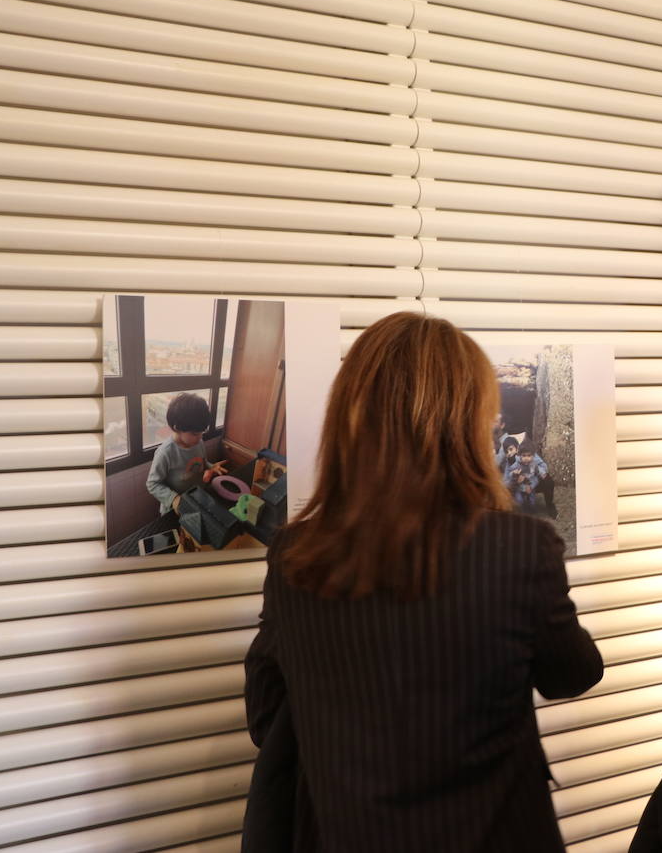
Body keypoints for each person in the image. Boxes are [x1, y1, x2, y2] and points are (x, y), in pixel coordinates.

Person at [243, 312, 603, 852]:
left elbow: (266, 712)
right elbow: (571, 675)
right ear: (468, 423)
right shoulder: (519, 547)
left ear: (351, 418)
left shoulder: (294, 555)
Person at [145, 391, 217, 514]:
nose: (200, 437)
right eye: (195, 433)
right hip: (175, 509)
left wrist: (211, 467)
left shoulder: (198, 443)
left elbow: (202, 463)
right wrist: (174, 499)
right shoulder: (165, 453)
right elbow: (153, 484)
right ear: (177, 427)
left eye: (202, 432)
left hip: (197, 500)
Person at [504, 438, 550, 512]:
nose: (526, 458)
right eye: (524, 456)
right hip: (519, 487)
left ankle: (532, 511)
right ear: (520, 456)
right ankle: (522, 512)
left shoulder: (533, 462)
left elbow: (538, 471)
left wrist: (542, 473)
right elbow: (509, 473)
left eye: (529, 456)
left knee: (532, 501)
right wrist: (514, 475)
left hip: (530, 485)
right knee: (520, 500)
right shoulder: (517, 463)